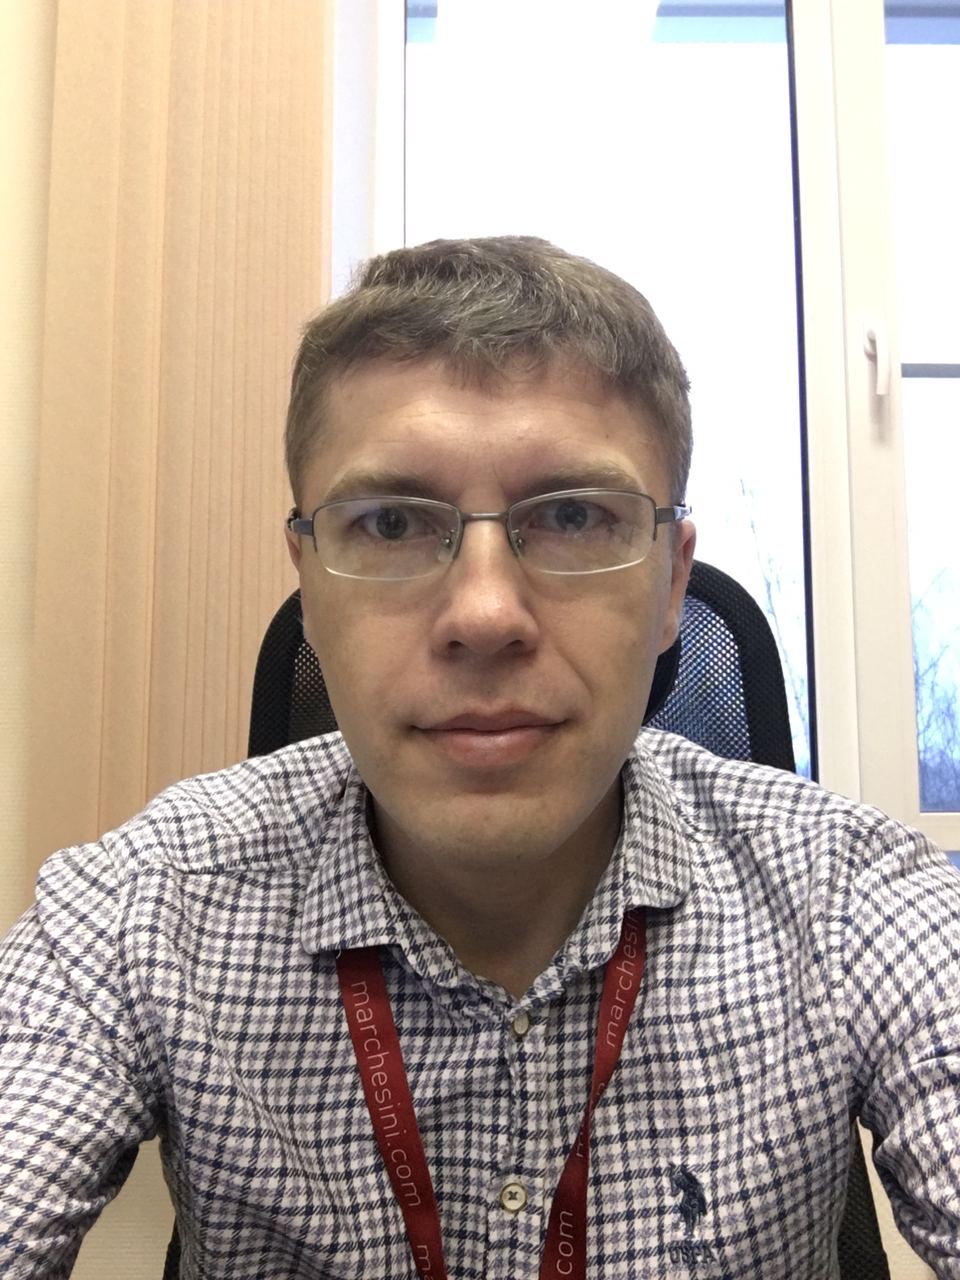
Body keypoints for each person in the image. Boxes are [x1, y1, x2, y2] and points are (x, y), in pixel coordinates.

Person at [1, 236, 958, 1279]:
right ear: (309, 583)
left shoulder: (850, 899)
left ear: (673, 585)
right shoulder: (142, 908)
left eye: (574, 516)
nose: (487, 613)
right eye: (393, 522)